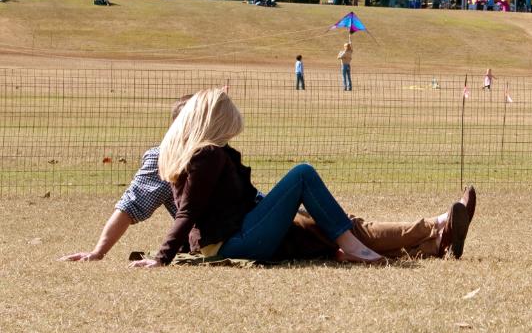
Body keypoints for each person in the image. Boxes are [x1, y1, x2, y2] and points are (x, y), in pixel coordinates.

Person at [60, 95, 478, 264]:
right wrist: (100, 253)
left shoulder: (212, 155)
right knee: (316, 198)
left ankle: (433, 240)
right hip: (239, 236)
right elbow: (137, 208)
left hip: (251, 222)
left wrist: (283, 209)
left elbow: (238, 199)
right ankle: (436, 225)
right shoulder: (176, 158)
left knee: (335, 226)